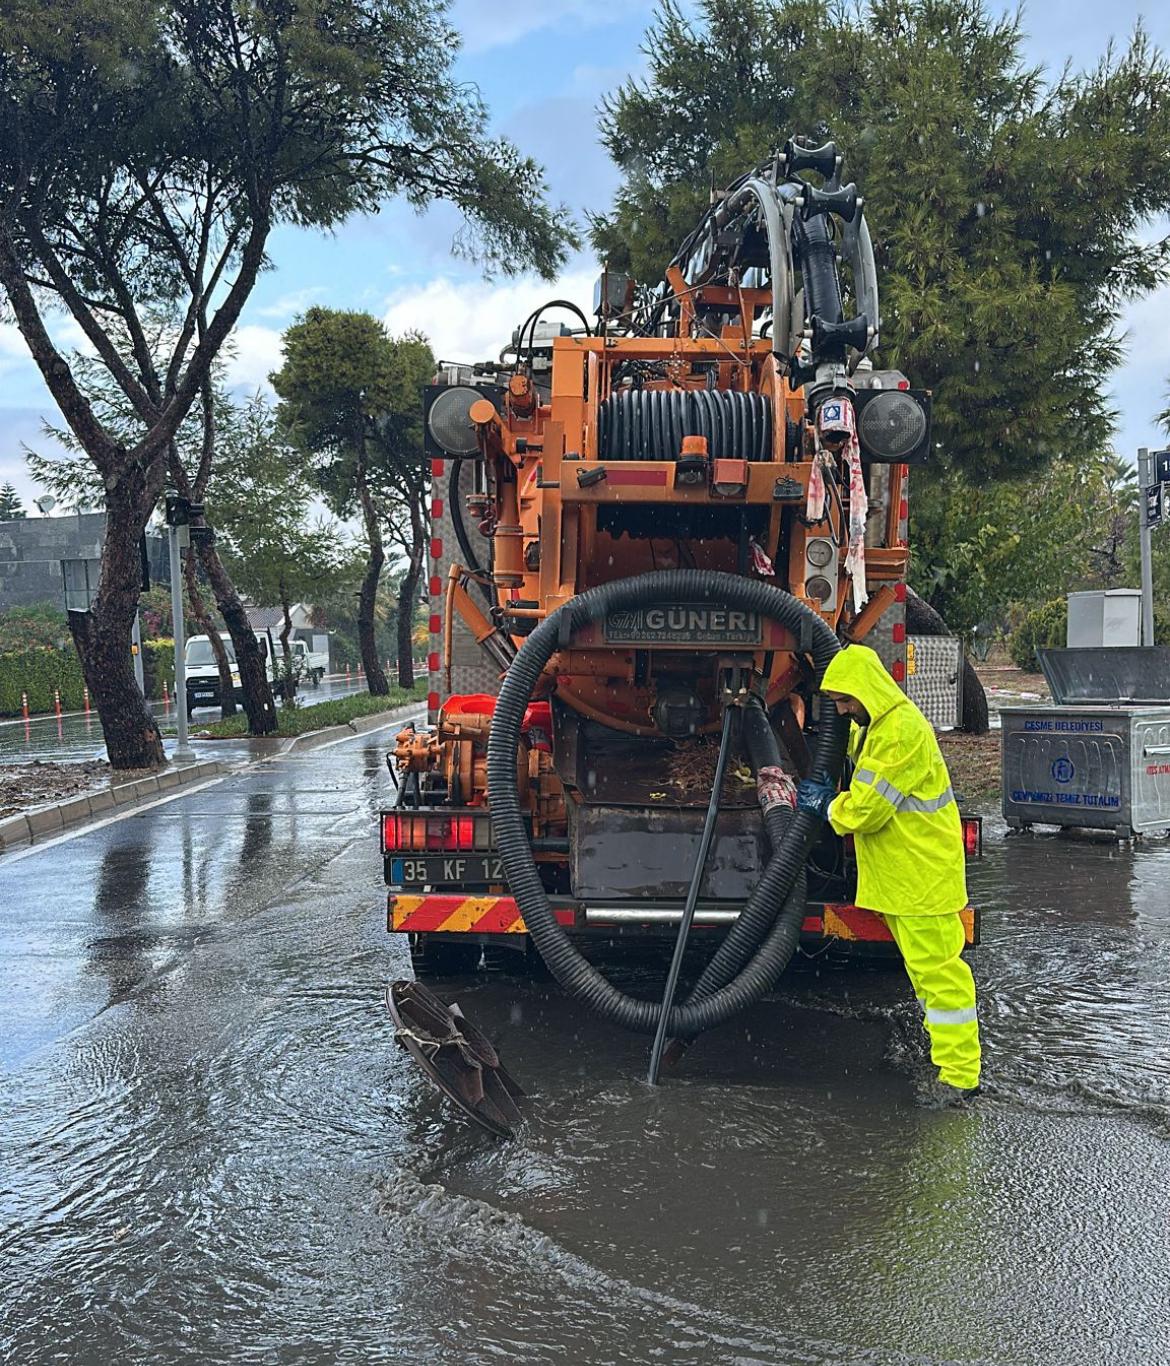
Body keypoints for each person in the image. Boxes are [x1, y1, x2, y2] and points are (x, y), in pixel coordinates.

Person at [796, 643, 980, 1106]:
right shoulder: (880, 727)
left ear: (866, 692)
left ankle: (960, 1078)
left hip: (921, 879)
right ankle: (948, 1061)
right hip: (906, 878)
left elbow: (867, 811)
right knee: (926, 977)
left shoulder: (898, 731)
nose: (842, 711)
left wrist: (826, 804)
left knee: (941, 977)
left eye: (845, 701)